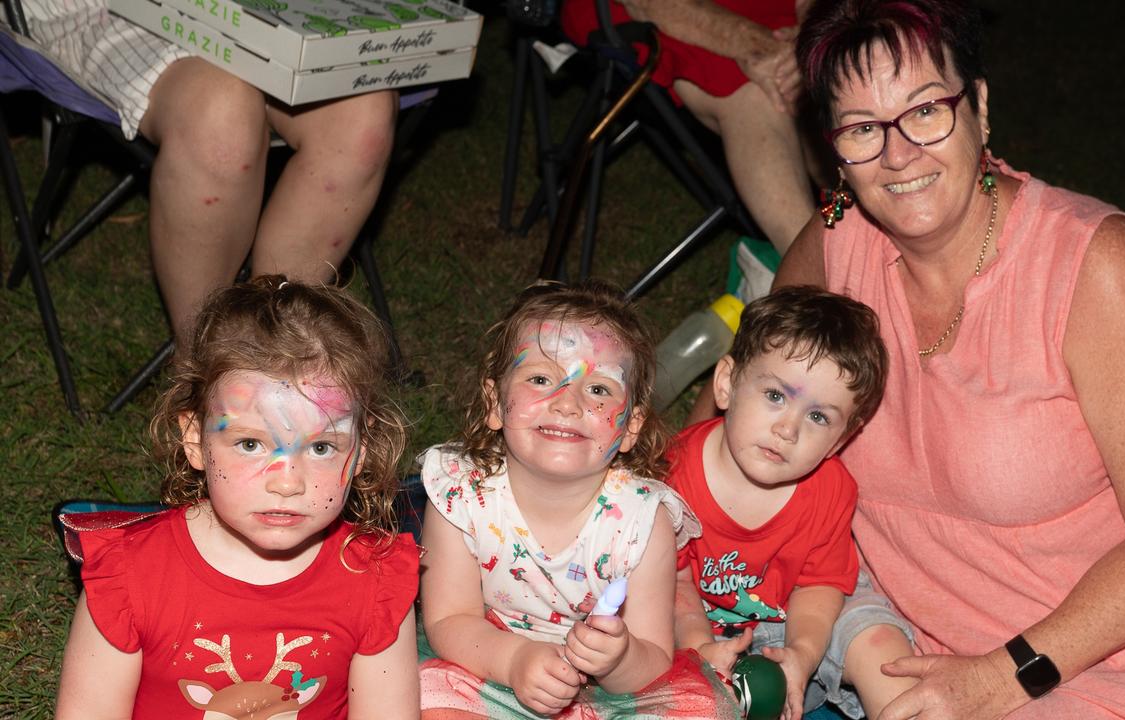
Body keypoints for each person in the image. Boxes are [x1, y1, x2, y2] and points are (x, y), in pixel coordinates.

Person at [735, 0, 1125, 717]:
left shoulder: (1093, 265)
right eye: (864, 129)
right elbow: (757, 401)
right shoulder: (835, 241)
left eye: (926, 111)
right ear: (835, 148)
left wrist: (1000, 677)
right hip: (950, 634)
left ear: (979, 107)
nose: (899, 155)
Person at [53, 276, 420, 718]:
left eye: (321, 447)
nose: (287, 483)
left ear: (360, 450)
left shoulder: (375, 580)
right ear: (194, 440)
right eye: (251, 444)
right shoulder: (130, 577)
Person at [417, 281, 740, 719]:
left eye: (600, 390)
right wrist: (515, 660)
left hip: (610, 700)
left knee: (699, 711)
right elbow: (448, 620)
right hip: (491, 667)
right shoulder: (459, 493)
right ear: (495, 402)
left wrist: (619, 659)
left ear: (631, 427)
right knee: (421, 693)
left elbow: (653, 659)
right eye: (540, 379)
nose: (567, 403)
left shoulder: (643, 521)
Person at [9, 0, 397, 351]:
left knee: (362, 118)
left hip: (265, 12)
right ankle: (205, 365)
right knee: (219, 119)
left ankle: (278, 346)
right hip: (106, 9)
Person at [670, 285, 917, 720]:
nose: (788, 429)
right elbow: (674, 584)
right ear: (726, 384)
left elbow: (821, 584)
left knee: (878, 640)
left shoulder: (830, 489)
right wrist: (698, 647)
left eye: (818, 417)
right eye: (775, 396)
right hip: (697, 616)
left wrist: (803, 652)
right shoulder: (672, 477)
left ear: (841, 439)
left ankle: (908, 711)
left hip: (805, 610)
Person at [560, 0, 820, 254]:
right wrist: (758, 47)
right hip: (648, 15)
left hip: (769, 21)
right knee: (755, 91)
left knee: (836, 55)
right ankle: (821, 275)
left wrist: (809, 33)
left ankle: (851, 236)